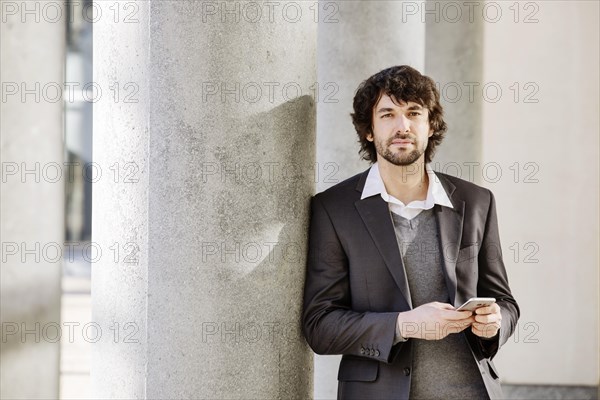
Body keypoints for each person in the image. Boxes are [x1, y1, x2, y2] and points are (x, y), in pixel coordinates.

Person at [302, 65, 519, 400]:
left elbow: (505, 302)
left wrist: (495, 323)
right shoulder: (334, 209)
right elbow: (320, 325)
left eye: (413, 113)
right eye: (387, 114)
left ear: (430, 125)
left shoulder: (476, 201)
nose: (402, 126)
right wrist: (405, 325)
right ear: (369, 130)